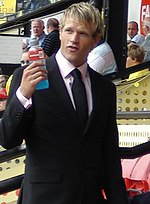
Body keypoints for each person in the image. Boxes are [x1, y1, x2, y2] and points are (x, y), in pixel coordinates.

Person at [0, 2, 128, 204]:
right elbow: (8, 139)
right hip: (44, 198)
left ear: (95, 40)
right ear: (60, 32)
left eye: (83, 33)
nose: (73, 39)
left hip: (90, 197)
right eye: (68, 30)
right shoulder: (28, 77)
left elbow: (109, 152)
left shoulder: (104, 89)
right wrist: (22, 96)